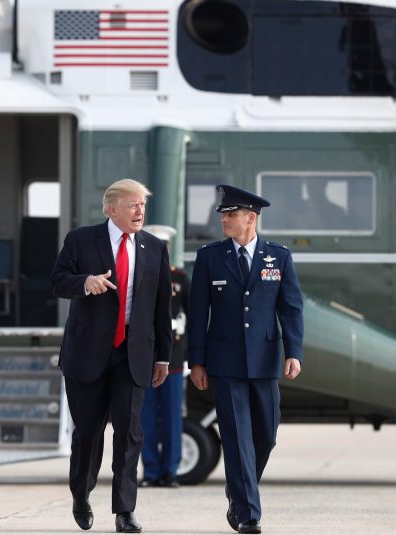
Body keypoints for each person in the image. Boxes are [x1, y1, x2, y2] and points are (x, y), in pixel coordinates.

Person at [51, 179, 173, 534]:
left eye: (143, 205)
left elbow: (160, 307)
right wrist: (84, 282)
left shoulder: (154, 247)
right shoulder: (80, 240)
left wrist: (163, 357)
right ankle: (81, 495)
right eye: (133, 204)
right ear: (111, 208)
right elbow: (58, 282)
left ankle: (124, 510)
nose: (140, 211)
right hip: (87, 352)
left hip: (132, 354)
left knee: (130, 431)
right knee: (88, 432)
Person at [188, 185, 304, 534]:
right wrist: (197, 361)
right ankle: (248, 514)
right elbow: (197, 313)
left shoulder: (278, 256)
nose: (223, 219)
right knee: (237, 438)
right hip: (223, 363)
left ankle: (237, 494)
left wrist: (294, 352)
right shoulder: (209, 256)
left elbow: (291, 307)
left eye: (230, 214)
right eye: (222, 214)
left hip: (266, 360)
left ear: (250, 218)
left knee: (265, 436)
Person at [139, 225, 188, 489]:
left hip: (174, 358)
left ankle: (170, 471)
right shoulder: (138, 274)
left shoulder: (179, 277)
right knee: (145, 418)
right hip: (144, 356)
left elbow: (194, 314)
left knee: (171, 418)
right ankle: (150, 471)